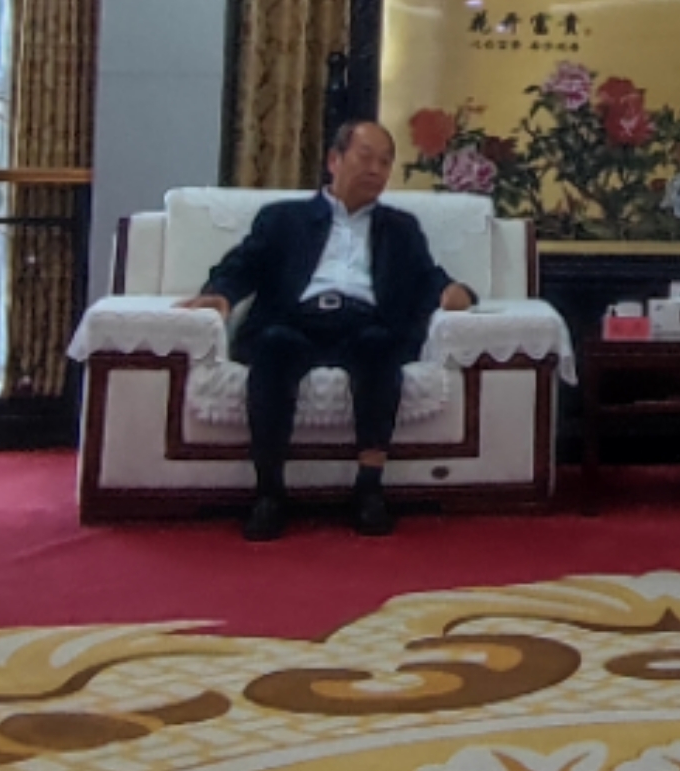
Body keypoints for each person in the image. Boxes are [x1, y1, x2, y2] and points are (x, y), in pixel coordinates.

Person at [179, 119, 472, 541]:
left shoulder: (400, 228)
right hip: (296, 320)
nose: (375, 169)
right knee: (273, 346)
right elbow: (242, 265)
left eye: (385, 162)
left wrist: (454, 292)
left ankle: (369, 489)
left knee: (380, 347)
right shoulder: (283, 219)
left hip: (364, 323)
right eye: (365, 157)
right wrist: (220, 295)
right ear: (334, 160)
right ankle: (269, 493)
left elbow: (427, 278)